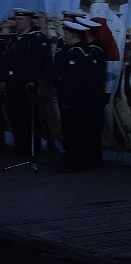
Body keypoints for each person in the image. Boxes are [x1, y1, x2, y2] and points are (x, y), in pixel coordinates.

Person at [53, 19, 107, 171]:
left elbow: (76, 79)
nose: (65, 37)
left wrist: (68, 98)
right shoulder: (82, 51)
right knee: (79, 132)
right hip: (83, 99)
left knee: (76, 132)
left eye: (67, 34)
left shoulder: (78, 52)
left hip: (78, 100)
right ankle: (80, 160)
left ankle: (76, 162)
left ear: (73, 35)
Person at [1, 10, 53, 158]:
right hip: (13, 83)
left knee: (29, 117)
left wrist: (34, 80)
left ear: (30, 20)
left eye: (21, 19)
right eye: (16, 19)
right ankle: (20, 145)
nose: (18, 22)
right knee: (15, 115)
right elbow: (6, 61)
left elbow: (39, 62)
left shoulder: (36, 38)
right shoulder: (14, 39)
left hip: (27, 83)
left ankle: (32, 147)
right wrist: (3, 79)